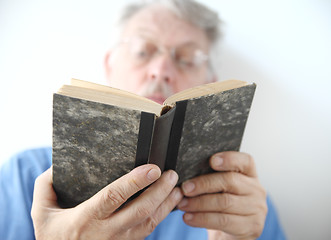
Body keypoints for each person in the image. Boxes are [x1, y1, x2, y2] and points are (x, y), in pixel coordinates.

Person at [0, 0, 286, 239]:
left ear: (210, 84)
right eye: (141, 51)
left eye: (186, 58)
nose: (161, 70)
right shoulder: (23, 176)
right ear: (110, 66)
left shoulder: (240, 203)